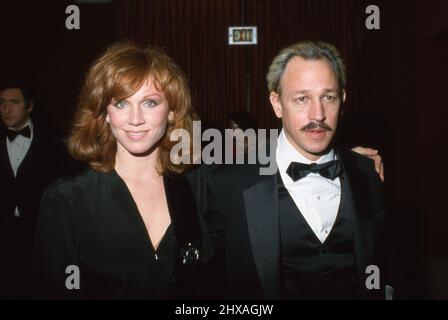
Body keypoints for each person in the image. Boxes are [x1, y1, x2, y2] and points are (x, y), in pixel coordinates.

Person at [204, 41, 390, 299]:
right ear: (277, 103)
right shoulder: (229, 184)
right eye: (302, 98)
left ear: (343, 101)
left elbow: (382, 266)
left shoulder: (367, 172)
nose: (318, 114)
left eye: (328, 97)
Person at [32, 42, 213, 299]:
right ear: (105, 113)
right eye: (121, 104)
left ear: (172, 111)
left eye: (150, 103)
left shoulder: (198, 186)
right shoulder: (67, 198)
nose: (135, 118)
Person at [0, 84, 67, 299]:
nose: (6, 109)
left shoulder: (54, 143)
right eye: (1, 103)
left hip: (41, 233)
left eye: (14, 102)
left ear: (29, 106)